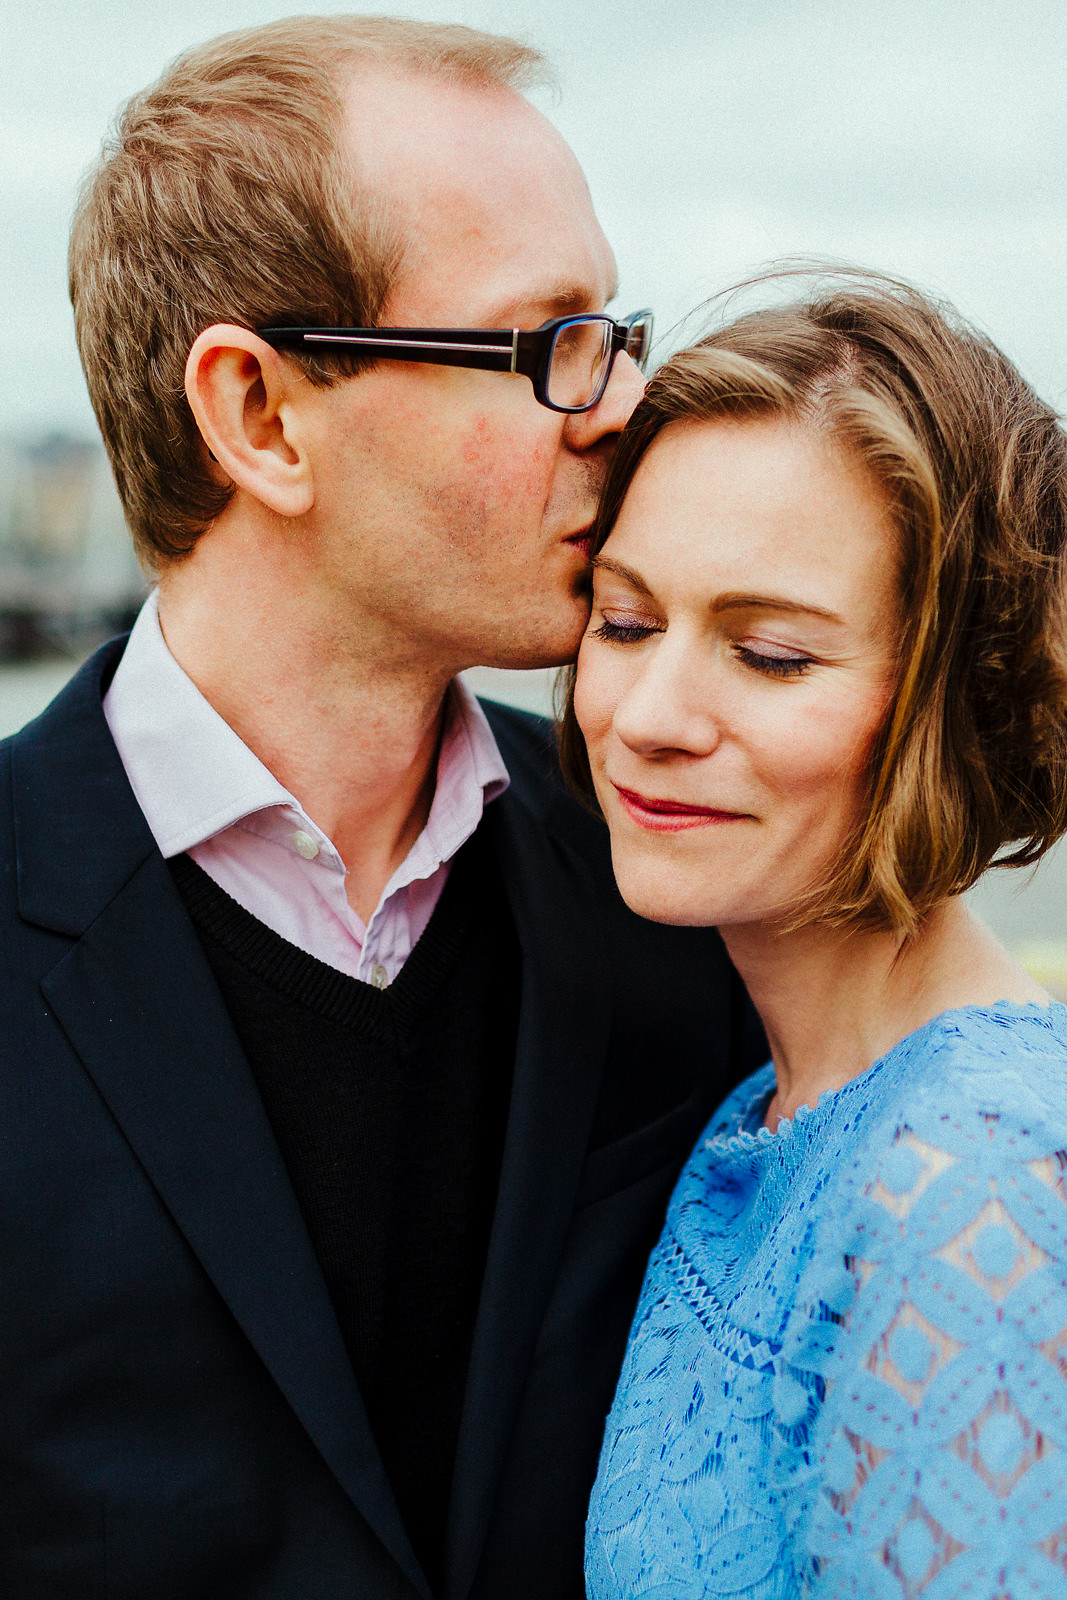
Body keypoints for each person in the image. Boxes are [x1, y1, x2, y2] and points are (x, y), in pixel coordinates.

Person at [0, 17, 761, 1600]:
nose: (622, 404)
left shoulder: (677, 894)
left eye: (616, 328)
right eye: (548, 339)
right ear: (261, 417)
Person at [569, 278, 1067, 1597]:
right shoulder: (779, 1115)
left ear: (963, 701)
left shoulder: (970, 1183)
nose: (649, 712)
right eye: (622, 622)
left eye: (771, 654)